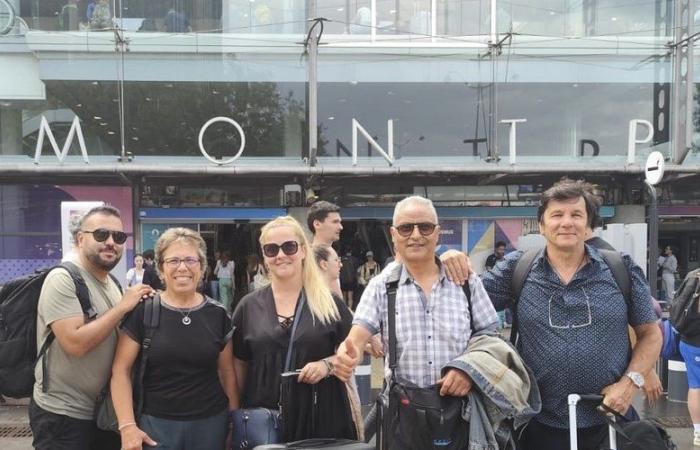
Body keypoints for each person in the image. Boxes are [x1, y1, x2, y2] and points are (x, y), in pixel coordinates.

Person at [440, 178, 662, 450]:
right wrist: (445, 260)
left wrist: (629, 384)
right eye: (557, 215)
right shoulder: (517, 268)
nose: (566, 222)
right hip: (535, 423)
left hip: (610, 420)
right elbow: (460, 306)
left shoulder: (621, 268)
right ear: (542, 226)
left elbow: (650, 335)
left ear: (588, 224)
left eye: (576, 215)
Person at [334, 196, 500, 448]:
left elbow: (490, 334)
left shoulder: (465, 281)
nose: (415, 235)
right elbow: (358, 334)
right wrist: (349, 353)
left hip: (461, 410)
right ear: (393, 235)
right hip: (403, 415)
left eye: (425, 227)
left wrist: (469, 370)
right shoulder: (382, 286)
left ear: (437, 233)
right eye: (405, 228)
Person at [29, 205, 152, 450]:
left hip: (102, 413)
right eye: (100, 235)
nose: (110, 242)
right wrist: (122, 307)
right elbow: (75, 344)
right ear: (80, 238)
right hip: (62, 415)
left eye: (118, 237)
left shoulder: (112, 283)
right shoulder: (63, 278)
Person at [231, 216, 356, 444]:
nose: (281, 255)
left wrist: (327, 365)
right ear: (264, 257)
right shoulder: (248, 307)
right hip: (266, 424)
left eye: (289, 246)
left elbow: (352, 350)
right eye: (271, 249)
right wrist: (234, 418)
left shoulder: (329, 303)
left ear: (303, 251)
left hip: (322, 417)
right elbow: (239, 366)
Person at [111, 227, 238, 450]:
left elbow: (226, 372)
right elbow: (120, 371)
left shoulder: (218, 314)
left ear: (202, 266)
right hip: (156, 425)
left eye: (191, 260)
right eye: (173, 261)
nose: (183, 267)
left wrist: (234, 424)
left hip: (211, 424)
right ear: (161, 268)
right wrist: (127, 426)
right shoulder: (144, 311)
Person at [673, 269, 700, 446]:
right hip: (696, 342)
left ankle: (698, 431)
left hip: (688, 341)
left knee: (695, 385)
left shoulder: (693, 276)